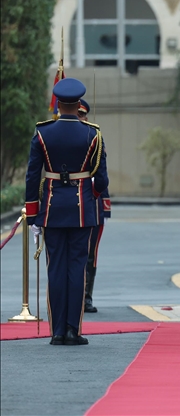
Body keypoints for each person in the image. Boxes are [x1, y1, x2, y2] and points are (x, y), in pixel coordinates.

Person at [25, 77, 108, 345]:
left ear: (58, 104)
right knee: (77, 269)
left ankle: (58, 332)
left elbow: (32, 176)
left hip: (51, 209)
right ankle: (73, 329)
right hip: (82, 209)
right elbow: (102, 180)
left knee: (56, 269)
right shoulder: (93, 134)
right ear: (77, 104)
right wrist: (91, 195)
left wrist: (32, 212)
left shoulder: (42, 133)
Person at [77, 99, 111, 314]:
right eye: (76, 114)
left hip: (92, 201)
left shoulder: (94, 137)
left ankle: (86, 297)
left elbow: (101, 174)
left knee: (90, 253)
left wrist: (103, 204)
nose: (79, 118)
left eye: (82, 115)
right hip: (69, 202)